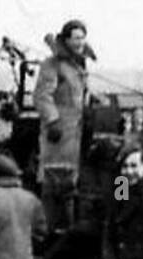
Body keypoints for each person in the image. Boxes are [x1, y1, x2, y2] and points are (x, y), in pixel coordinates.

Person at [35, 19, 94, 226]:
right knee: (54, 179)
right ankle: (51, 229)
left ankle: (72, 225)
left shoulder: (79, 64)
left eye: (82, 37)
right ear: (66, 39)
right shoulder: (52, 64)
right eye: (76, 38)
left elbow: (80, 94)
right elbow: (42, 96)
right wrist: (53, 121)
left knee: (72, 181)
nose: (80, 42)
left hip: (76, 130)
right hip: (59, 132)